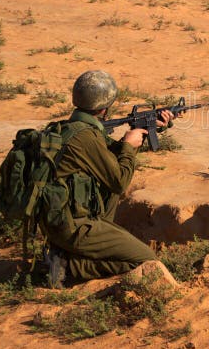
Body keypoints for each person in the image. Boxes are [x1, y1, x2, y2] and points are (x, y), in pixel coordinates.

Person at [43, 70, 177, 287]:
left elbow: (109, 156)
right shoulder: (86, 137)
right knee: (145, 260)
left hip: (59, 221)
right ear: (105, 107)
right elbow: (119, 181)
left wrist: (146, 128)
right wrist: (128, 146)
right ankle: (68, 266)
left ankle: (70, 253)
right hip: (74, 226)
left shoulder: (72, 129)